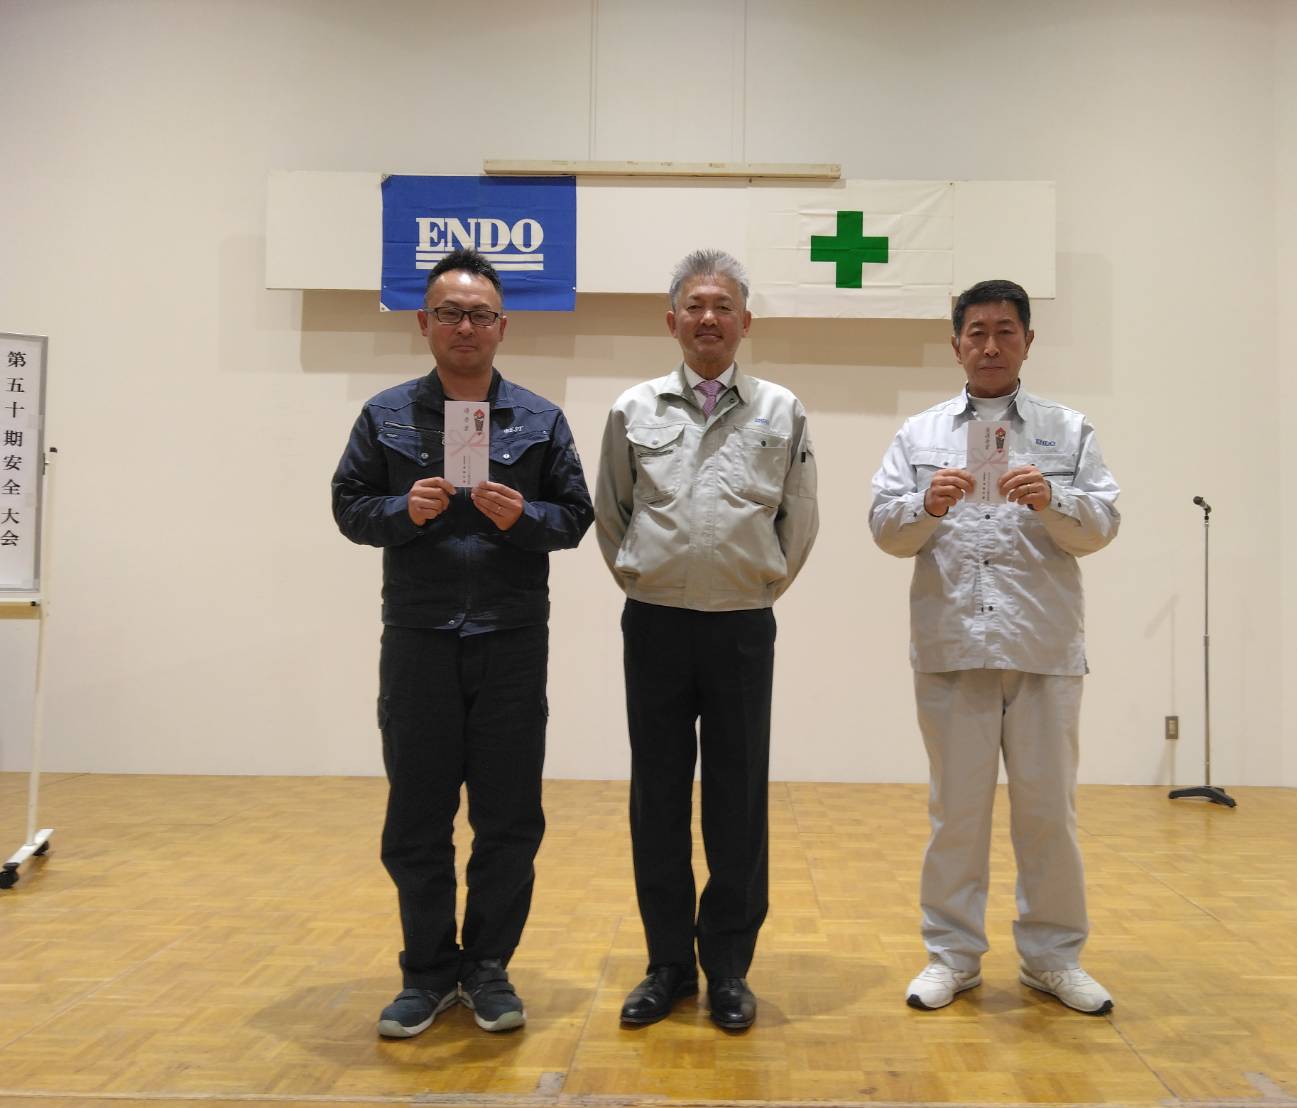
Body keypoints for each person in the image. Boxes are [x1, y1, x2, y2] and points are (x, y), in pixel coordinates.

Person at [332, 248, 593, 1038]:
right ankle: (425, 973)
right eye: (450, 313)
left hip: (511, 643)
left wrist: (526, 518)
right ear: (424, 322)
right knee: (416, 818)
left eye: (480, 315)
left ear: (502, 326)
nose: (465, 327)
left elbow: (575, 519)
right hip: (418, 640)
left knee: (509, 819)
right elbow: (348, 506)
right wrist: (400, 511)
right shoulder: (384, 416)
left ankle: (486, 969)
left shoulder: (540, 420)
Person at [868, 279, 1121, 1016]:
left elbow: (1102, 526)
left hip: (1042, 647)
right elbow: (884, 531)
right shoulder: (919, 435)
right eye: (975, 332)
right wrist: (925, 504)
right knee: (956, 816)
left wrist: (1054, 499)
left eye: (1005, 331)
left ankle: (1052, 959)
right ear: (955, 345)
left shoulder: (1068, 431)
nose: (989, 345)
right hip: (952, 647)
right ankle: (951, 957)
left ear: (1027, 342)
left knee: (1049, 816)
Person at [593, 249, 819, 1030]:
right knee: (656, 795)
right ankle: (666, 965)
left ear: (744, 321)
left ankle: (726, 967)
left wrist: (756, 585)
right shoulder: (633, 408)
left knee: (737, 797)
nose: (709, 318)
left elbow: (798, 517)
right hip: (654, 622)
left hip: (741, 627)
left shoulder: (781, 410)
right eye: (694, 305)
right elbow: (611, 512)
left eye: (723, 306)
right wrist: (643, 577)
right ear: (672, 321)